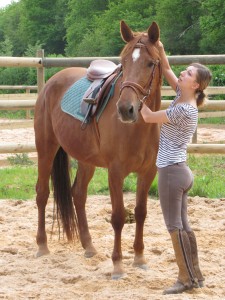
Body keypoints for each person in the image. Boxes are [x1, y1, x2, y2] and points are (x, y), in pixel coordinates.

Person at [141, 41, 212, 294]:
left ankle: (185, 279)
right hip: (179, 170)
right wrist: (159, 48)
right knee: (184, 226)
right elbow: (168, 67)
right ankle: (196, 275)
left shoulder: (183, 109)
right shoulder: (183, 97)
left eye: (189, 73)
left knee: (174, 226)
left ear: (196, 85)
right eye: (186, 71)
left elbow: (148, 116)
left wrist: (135, 94)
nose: (183, 73)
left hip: (171, 172)